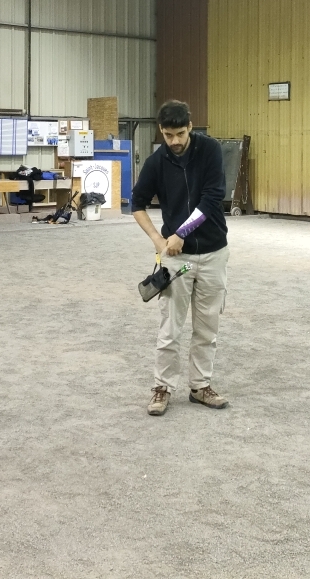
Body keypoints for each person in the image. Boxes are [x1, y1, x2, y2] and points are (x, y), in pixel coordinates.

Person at [131, 100, 230, 416]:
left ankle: (200, 387)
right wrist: (158, 240)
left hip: (214, 254)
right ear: (161, 130)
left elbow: (212, 198)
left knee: (207, 327)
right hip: (178, 261)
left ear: (190, 127)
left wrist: (182, 231)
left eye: (180, 134)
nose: (174, 141)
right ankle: (162, 388)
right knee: (170, 328)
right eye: (168, 135)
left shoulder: (210, 150)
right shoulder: (155, 163)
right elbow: (136, 203)